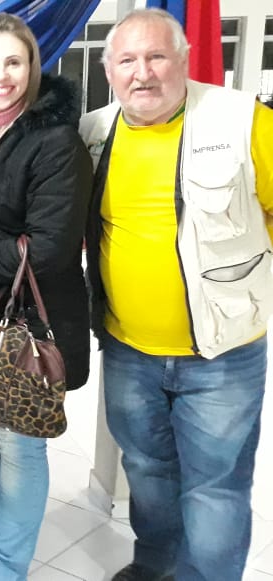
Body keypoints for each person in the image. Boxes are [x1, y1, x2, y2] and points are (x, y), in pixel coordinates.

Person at [79, 8, 273, 581]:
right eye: (127, 60)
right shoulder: (92, 133)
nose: (143, 72)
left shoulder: (244, 120)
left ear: (184, 60)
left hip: (222, 357)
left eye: (156, 56)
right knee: (147, 473)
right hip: (127, 350)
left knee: (215, 490)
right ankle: (155, 566)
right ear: (109, 71)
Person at [0, 13, 93, 581]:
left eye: (13, 61)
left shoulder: (55, 140)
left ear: (32, 67)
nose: (0, 75)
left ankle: (7, 559)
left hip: (33, 318)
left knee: (18, 442)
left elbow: (46, 249)